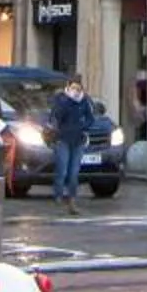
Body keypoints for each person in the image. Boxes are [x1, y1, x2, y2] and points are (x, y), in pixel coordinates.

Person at [47, 76, 92, 214]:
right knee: (63, 170)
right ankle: (58, 195)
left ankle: (72, 200)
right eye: (74, 88)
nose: (76, 91)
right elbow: (56, 116)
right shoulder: (61, 99)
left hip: (78, 140)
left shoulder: (84, 101)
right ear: (68, 87)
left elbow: (90, 118)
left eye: (79, 89)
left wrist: (84, 127)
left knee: (74, 173)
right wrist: (67, 100)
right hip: (63, 140)